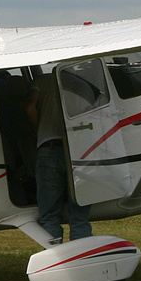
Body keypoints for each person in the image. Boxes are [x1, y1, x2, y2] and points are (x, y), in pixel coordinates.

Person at [28, 72, 92, 245]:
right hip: (78, 149)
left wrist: (38, 131)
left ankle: (55, 257)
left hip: (48, 147)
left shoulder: (41, 80)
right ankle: (83, 255)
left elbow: (30, 107)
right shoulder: (83, 83)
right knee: (79, 215)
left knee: (49, 216)